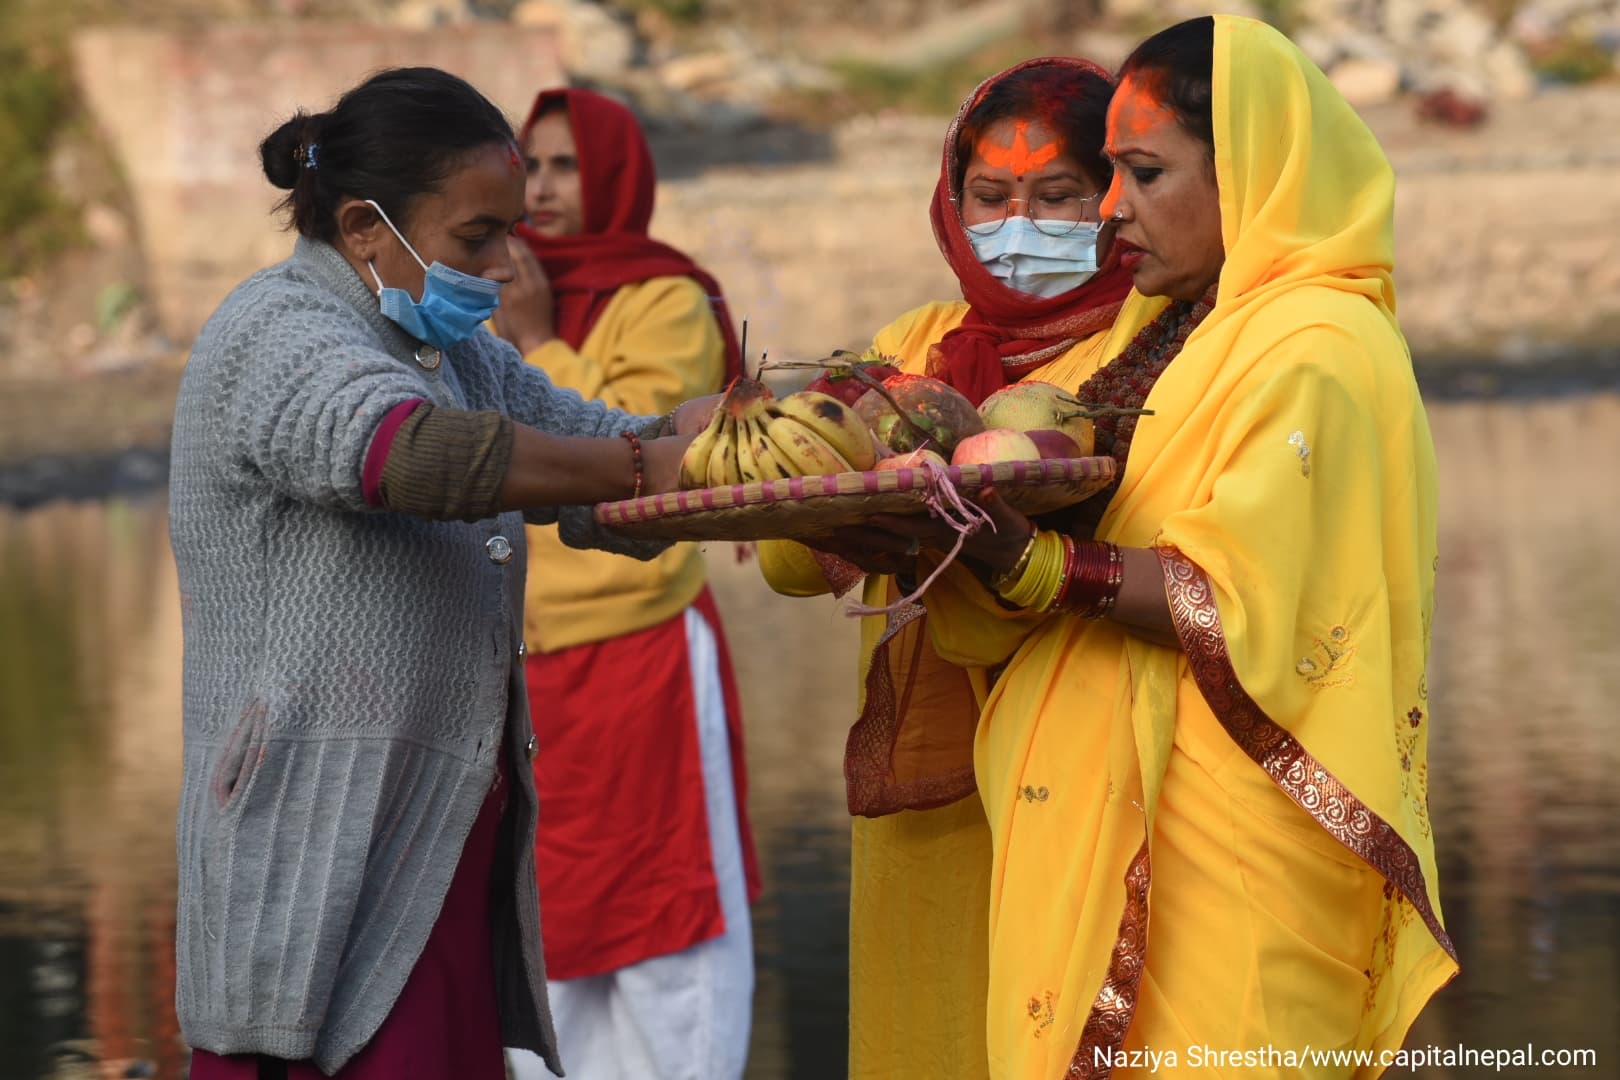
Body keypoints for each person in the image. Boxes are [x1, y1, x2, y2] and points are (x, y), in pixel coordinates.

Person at [861, 16, 1458, 1077]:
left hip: (1223, 853)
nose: (1109, 209)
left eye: (1141, 173)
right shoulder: (1186, 332)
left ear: (1254, 173)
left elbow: (1240, 602)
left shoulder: (1317, 344)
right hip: (1104, 817)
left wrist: (1028, 563)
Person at [169, 67, 712, 1080]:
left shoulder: (450, 346)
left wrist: (729, 443)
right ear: (367, 226)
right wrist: (651, 461)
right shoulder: (278, 329)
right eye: (478, 238)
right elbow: (414, 457)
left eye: (511, 234)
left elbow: (596, 450)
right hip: (310, 839)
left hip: (437, 829)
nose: (508, 265)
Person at [757, 57, 1133, 1080]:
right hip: (935, 790)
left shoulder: (1154, 350)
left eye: (1059, 196)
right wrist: (822, 477)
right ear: (949, 204)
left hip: (1092, 762)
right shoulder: (909, 350)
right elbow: (793, 562)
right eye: (991, 198)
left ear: (1118, 194)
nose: (1021, 224)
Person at [491, 87, 761, 1080]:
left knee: (667, 933)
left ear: (617, 175)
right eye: (533, 165)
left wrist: (533, 339)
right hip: (518, 670)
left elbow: (648, 455)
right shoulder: (477, 285)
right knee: (541, 946)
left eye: (568, 164)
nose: (546, 187)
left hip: (638, 655)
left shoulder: (664, 299)